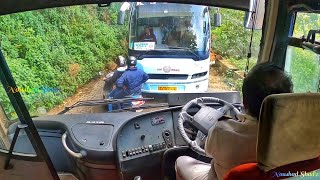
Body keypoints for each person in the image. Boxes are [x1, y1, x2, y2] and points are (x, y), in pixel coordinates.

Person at [175, 63, 293, 180]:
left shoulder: (221, 130)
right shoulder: (294, 137)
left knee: (181, 161)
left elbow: (208, 152)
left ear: (245, 103)